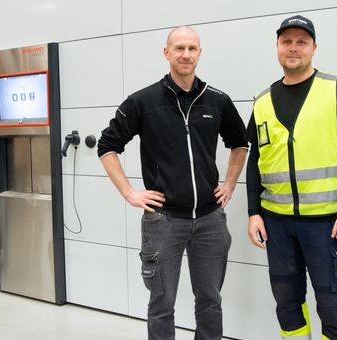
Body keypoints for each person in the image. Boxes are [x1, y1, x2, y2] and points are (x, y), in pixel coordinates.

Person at [97, 26, 248, 340]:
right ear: (166, 53)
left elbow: (240, 143)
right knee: (162, 303)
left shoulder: (217, 101)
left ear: (200, 53)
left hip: (210, 220)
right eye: (179, 48)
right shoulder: (143, 101)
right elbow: (107, 146)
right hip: (163, 221)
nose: (186, 54)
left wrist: (230, 183)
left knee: (210, 301)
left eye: (192, 48)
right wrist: (129, 193)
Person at [246, 15, 337, 340]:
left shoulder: (336, 88)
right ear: (277, 47)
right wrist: (253, 213)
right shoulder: (261, 102)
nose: (293, 48)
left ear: (313, 47)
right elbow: (256, 160)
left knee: (332, 306)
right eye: (287, 41)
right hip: (277, 224)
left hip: (327, 224)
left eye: (301, 41)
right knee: (287, 304)